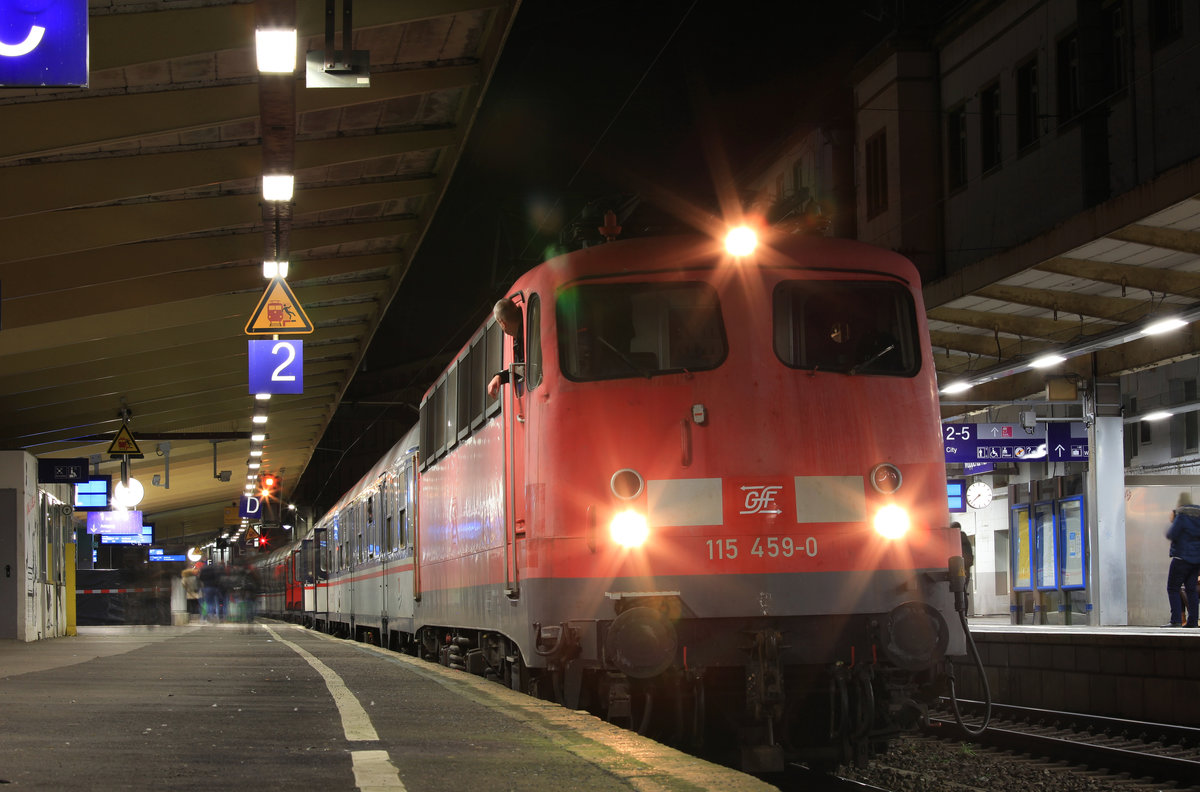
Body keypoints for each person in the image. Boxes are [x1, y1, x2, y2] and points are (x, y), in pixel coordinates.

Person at [1165, 493, 1200, 627]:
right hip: (1196, 560)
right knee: (1191, 589)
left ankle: (1176, 620)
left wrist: (1173, 520)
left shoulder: (1182, 515)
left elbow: (1171, 534)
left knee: (1173, 588)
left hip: (1181, 558)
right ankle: (1192, 622)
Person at [487, 297, 524, 399]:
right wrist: (499, 376)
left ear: (502, 323)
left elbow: (524, 369)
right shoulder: (528, 330)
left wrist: (500, 376)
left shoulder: (524, 338)